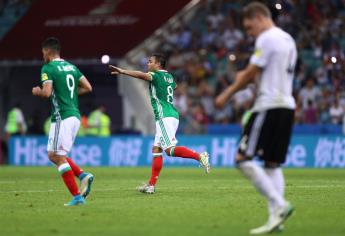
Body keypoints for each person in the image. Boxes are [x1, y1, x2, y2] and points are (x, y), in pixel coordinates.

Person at [215, 2, 296, 234]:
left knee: (242, 159)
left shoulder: (267, 38)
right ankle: (276, 219)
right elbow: (262, 73)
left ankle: (279, 204)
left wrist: (227, 94)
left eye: (250, 28)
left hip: (268, 106)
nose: (250, 33)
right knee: (272, 163)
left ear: (259, 17)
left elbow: (252, 72)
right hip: (287, 106)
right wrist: (249, 75)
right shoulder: (287, 39)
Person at [109, 53, 210, 194]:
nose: (147, 64)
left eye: (150, 62)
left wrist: (123, 71)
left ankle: (200, 156)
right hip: (172, 114)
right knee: (156, 150)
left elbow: (141, 75)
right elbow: (173, 87)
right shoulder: (169, 76)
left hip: (164, 116)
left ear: (158, 65)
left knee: (169, 150)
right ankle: (151, 186)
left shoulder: (155, 75)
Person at [32, 37, 94, 206]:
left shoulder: (48, 68)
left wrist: (37, 91)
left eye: (43, 52)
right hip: (74, 114)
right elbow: (88, 87)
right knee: (54, 155)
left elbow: (46, 93)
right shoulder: (71, 67)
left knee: (58, 156)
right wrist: (70, 95)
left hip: (62, 116)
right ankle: (82, 175)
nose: (42, 55)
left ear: (48, 51)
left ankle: (77, 196)